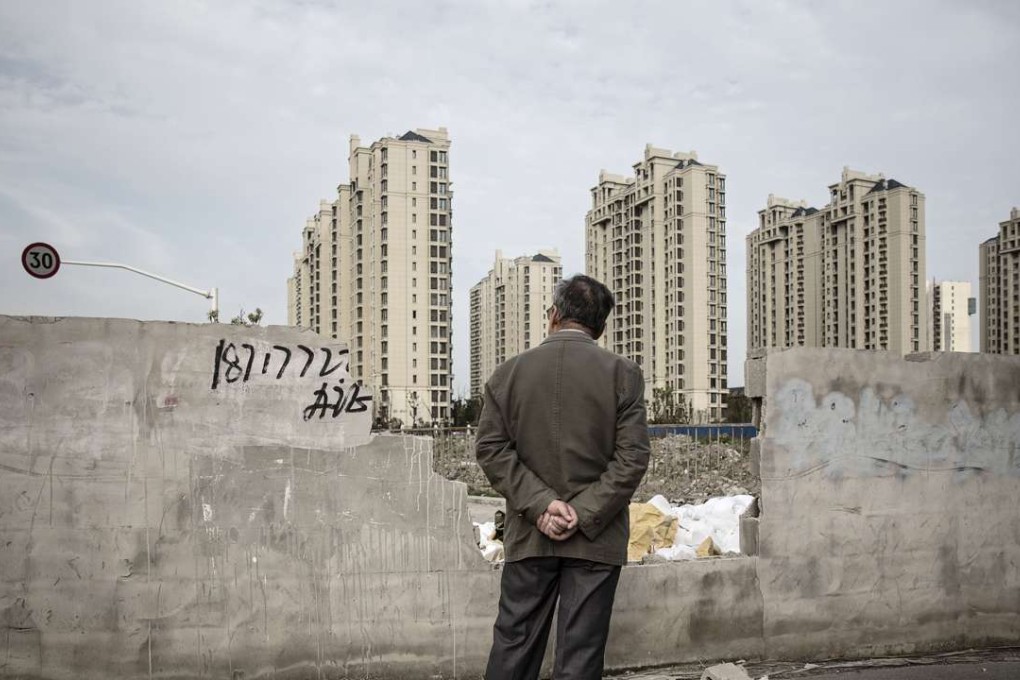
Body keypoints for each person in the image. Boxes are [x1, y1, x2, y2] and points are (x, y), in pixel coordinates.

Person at [475, 274, 650, 680]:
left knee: (513, 650)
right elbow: (632, 458)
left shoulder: (508, 374)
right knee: (579, 658)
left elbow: (491, 449)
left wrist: (541, 507)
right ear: (601, 327)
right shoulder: (623, 374)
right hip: (595, 538)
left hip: (529, 536)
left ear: (553, 315)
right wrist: (580, 512)